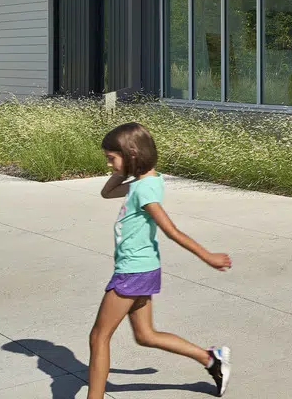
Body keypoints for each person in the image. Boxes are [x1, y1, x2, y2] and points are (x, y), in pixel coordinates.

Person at [89, 122, 233, 399]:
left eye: (111, 158)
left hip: (133, 271)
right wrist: (123, 168)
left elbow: (171, 230)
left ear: (132, 154)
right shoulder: (144, 182)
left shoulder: (144, 189)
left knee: (99, 337)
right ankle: (210, 359)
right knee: (145, 335)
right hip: (142, 269)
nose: (108, 164)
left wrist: (207, 256)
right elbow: (107, 193)